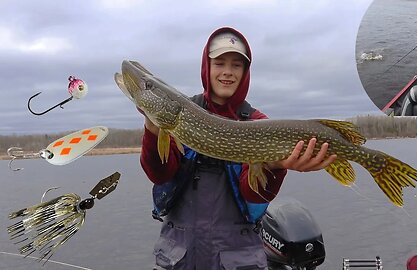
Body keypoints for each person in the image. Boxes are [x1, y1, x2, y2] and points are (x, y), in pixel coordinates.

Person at [139, 26, 336, 269]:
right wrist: (152, 126)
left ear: (245, 72)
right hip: (181, 255)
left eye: (236, 65)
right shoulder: (182, 114)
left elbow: (252, 195)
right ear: (206, 67)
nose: (227, 72)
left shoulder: (256, 123)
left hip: (236, 256)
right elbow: (159, 174)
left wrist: (273, 166)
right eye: (219, 63)